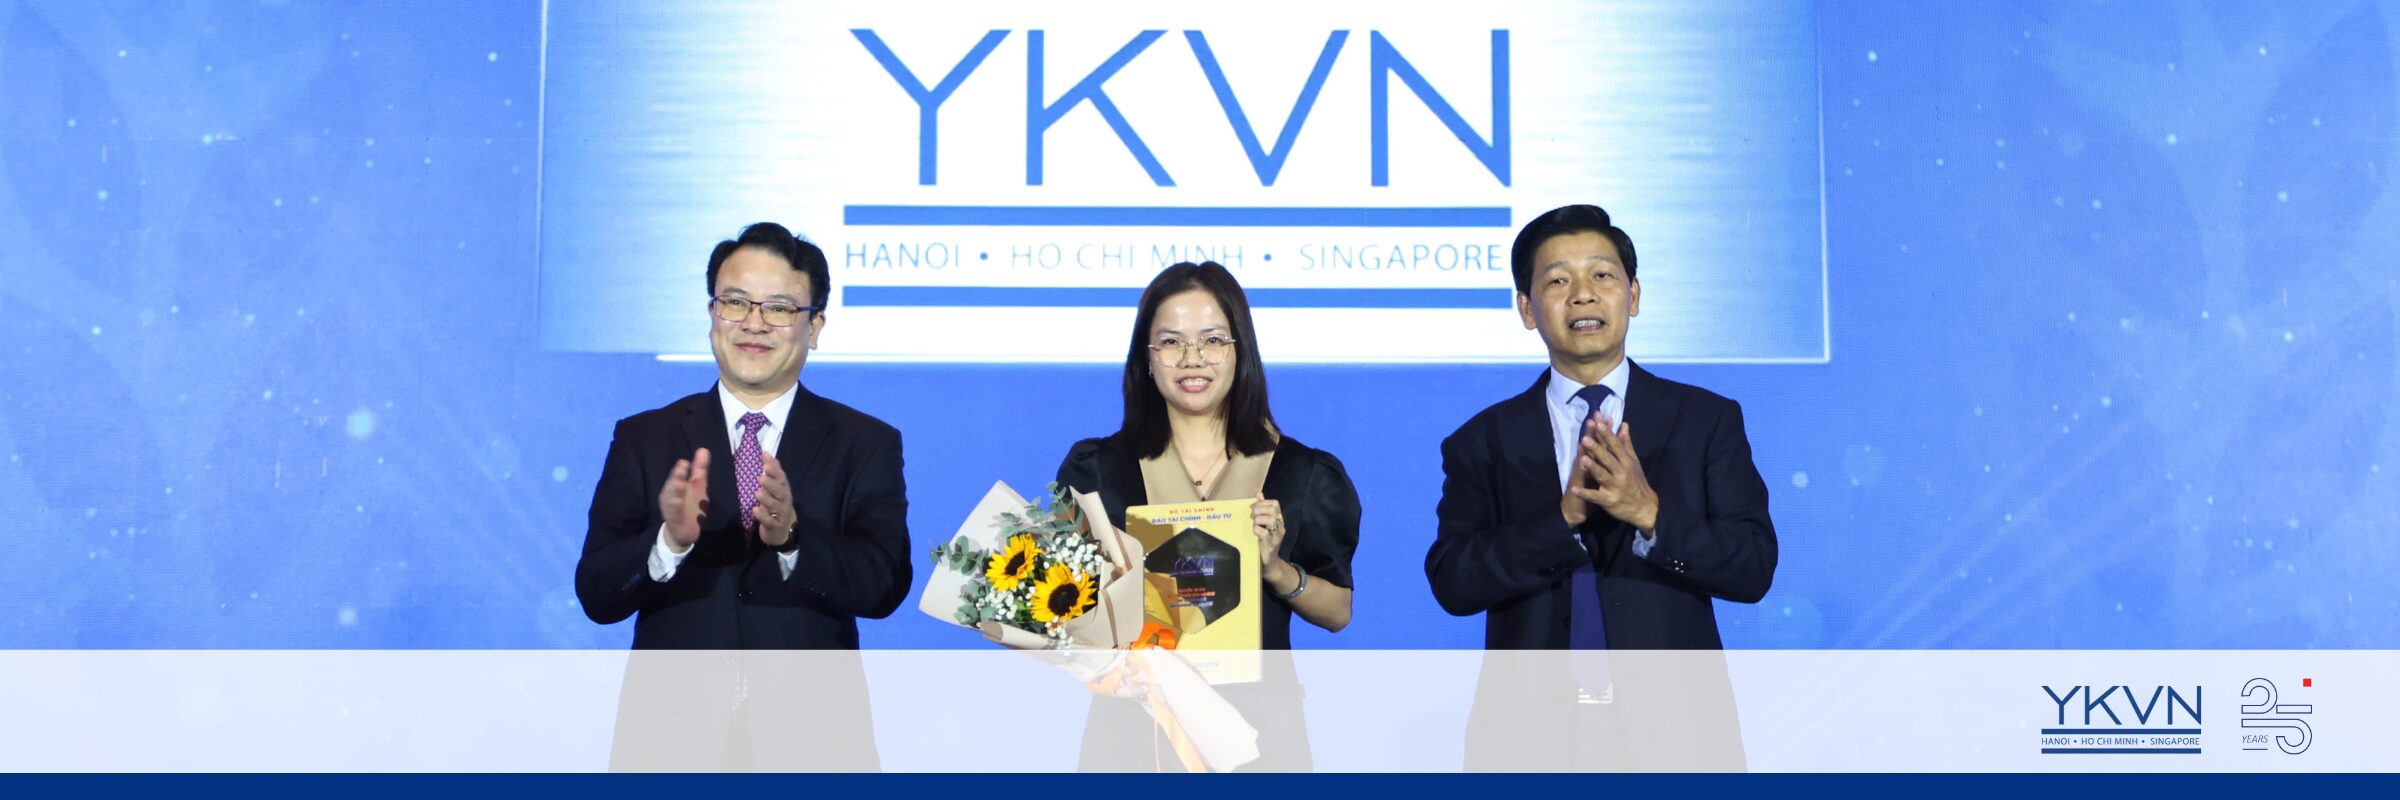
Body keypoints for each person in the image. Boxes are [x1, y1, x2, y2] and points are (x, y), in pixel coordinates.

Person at [1424, 204, 1775, 770]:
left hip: (1679, 740)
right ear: (1526, 308)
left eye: (1602, 275)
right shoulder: (1483, 440)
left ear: (1633, 295)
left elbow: (1753, 568)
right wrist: (1561, 520)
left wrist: (1651, 514)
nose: (1583, 295)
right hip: (1528, 745)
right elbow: (1453, 583)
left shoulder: (1705, 420)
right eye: (1558, 281)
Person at [575, 222, 908, 769]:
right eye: (735, 302)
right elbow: (598, 594)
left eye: (779, 308)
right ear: (712, 314)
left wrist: (794, 539)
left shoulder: (864, 442)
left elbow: (883, 589)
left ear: (815, 326)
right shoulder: (645, 437)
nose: (754, 323)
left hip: (815, 750)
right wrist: (667, 544)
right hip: (669, 749)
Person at [1055, 261, 1360, 771]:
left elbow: (1338, 612)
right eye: (1171, 343)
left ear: (1240, 351)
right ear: (1146, 358)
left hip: (1259, 737)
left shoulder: (1302, 472)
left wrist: (1275, 570)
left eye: (1213, 340)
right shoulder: (1098, 471)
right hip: (1135, 733)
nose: (1192, 359)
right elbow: (1066, 608)